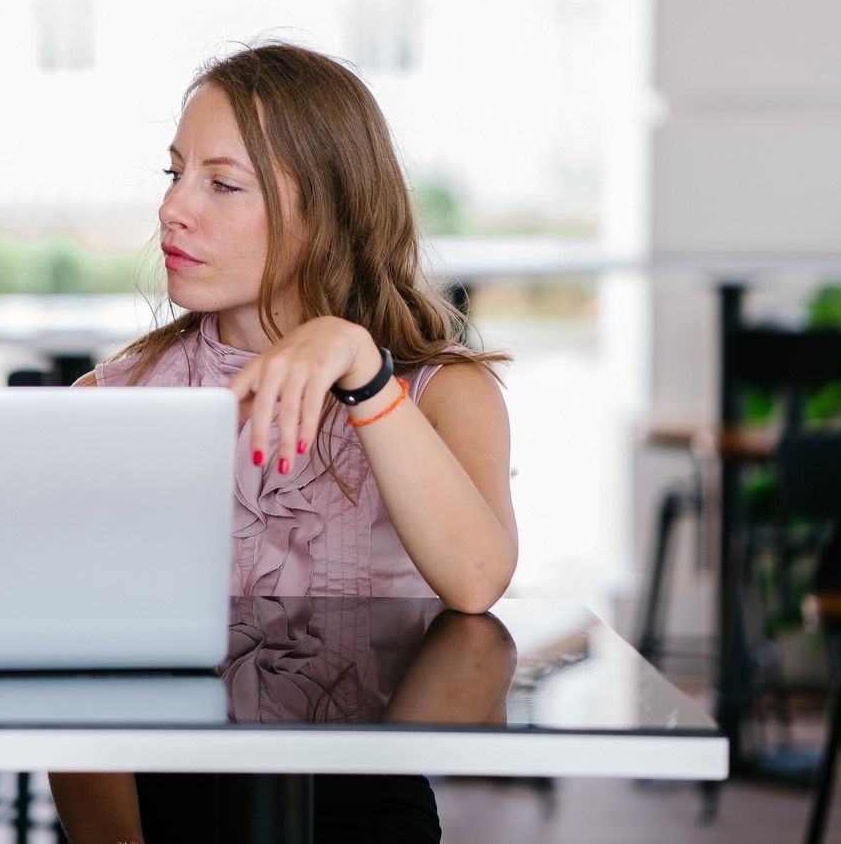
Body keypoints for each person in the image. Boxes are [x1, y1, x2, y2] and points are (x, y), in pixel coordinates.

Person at [52, 42, 518, 844]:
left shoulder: (445, 395)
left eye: (222, 184)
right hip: (162, 810)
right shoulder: (108, 403)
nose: (173, 209)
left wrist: (365, 372)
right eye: (175, 174)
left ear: (326, 211)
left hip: (365, 810)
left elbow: (477, 582)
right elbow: (72, 681)